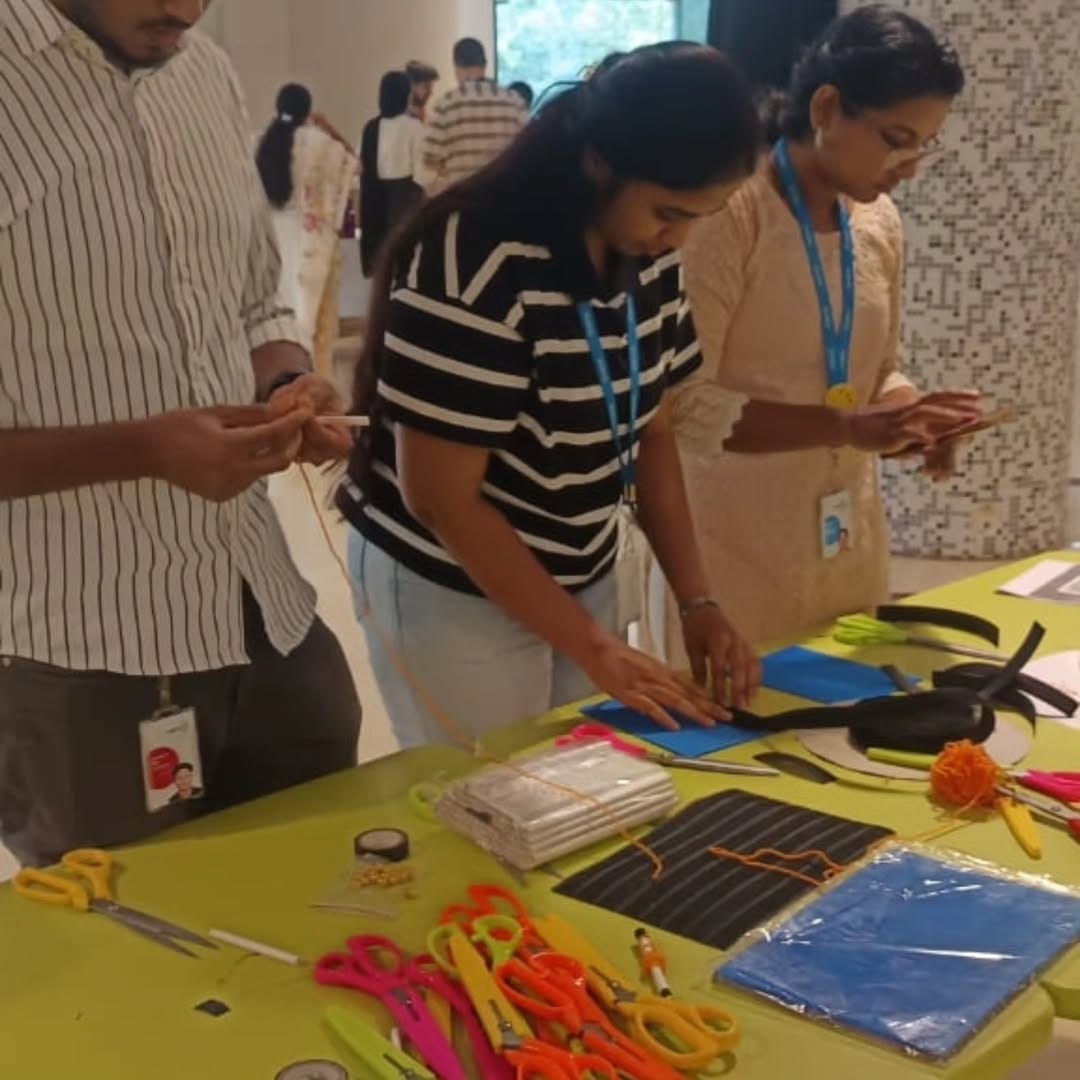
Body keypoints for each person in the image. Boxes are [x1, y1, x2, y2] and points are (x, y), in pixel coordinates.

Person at [0, 0, 361, 868]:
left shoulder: (204, 72)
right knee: (126, 951)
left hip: (261, 603)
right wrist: (145, 450)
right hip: (77, 640)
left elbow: (252, 300)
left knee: (308, 892)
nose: (188, 8)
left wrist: (284, 383)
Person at [339, 44, 763, 749]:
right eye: (667, 212)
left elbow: (652, 433)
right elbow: (441, 497)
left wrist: (697, 599)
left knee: (581, 786)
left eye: (700, 216)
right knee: (494, 799)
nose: (678, 238)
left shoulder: (648, 254)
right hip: (451, 583)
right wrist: (595, 647)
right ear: (598, 163)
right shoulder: (473, 253)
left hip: (577, 566)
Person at [662, 6, 980, 652]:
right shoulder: (732, 214)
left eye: (924, 144)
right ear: (828, 107)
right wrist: (844, 427)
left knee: (848, 727)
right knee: (741, 742)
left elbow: (877, 368)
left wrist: (910, 417)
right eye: (896, 139)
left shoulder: (878, 222)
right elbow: (682, 405)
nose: (910, 165)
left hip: (846, 548)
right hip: (729, 556)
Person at [257, 83, 358, 376]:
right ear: (307, 110)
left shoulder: (261, 141)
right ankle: (314, 386)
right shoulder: (321, 144)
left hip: (272, 243)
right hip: (312, 245)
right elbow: (354, 164)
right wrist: (329, 128)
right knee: (316, 325)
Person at [422, 37, 527, 190]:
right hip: (504, 198)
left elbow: (429, 157)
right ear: (484, 65)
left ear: (456, 67)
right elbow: (527, 151)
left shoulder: (446, 104)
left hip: (464, 199)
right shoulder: (514, 101)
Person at [359, 71, 427, 277]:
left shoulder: (370, 127)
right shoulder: (414, 127)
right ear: (405, 95)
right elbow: (421, 171)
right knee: (404, 260)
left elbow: (361, 166)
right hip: (405, 196)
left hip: (374, 198)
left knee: (381, 262)